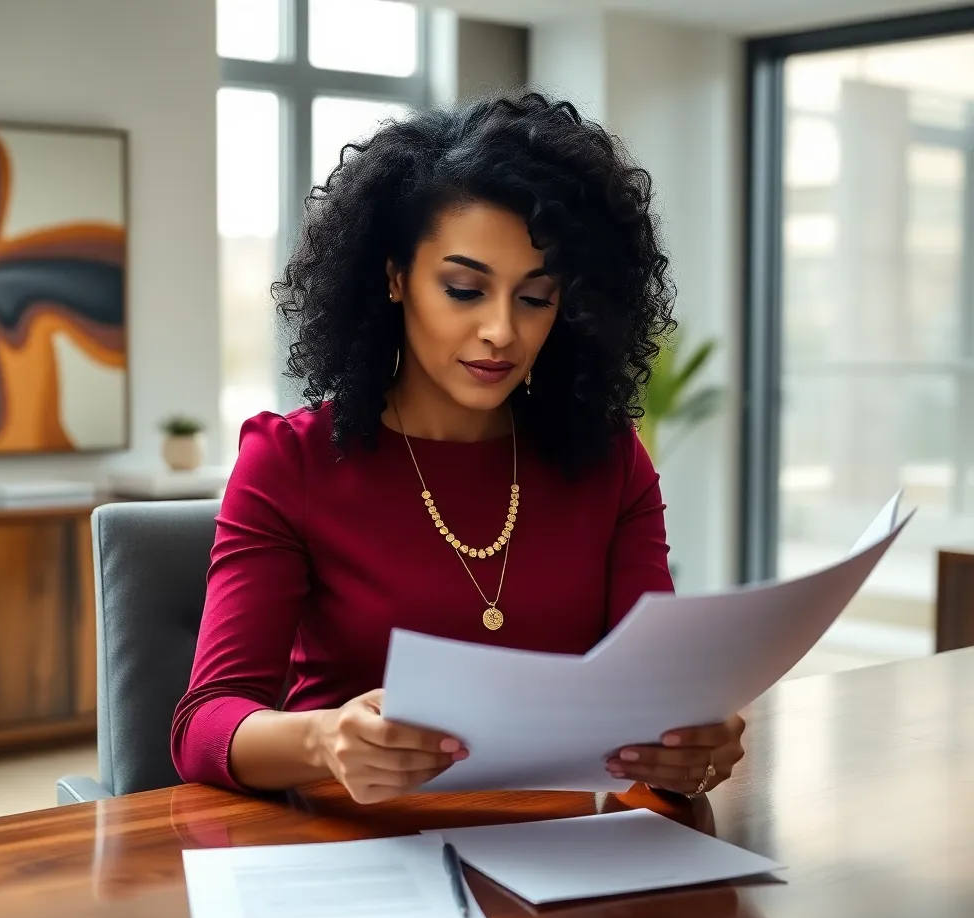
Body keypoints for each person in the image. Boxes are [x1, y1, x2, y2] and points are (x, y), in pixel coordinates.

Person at [171, 91, 745, 805]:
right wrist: (324, 738)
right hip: (359, 849)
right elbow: (205, 725)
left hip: (562, 862)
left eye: (535, 297)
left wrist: (688, 746)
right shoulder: (291, 463)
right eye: (465, 289)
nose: (502, 330)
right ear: (393, 276)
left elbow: (655, 696)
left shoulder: (609, 460)